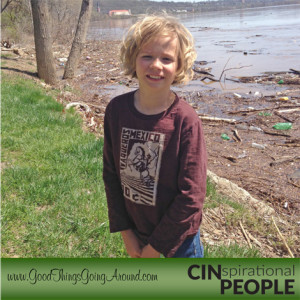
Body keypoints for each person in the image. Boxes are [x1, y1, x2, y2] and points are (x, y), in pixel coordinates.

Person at [103, 14, 207, 258]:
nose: (156, 65)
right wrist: (126, 233)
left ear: (179, 66)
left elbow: (192, 196)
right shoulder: (116, 111)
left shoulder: (185, 120)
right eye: (147, 56)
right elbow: (111, 175)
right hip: (137, 232)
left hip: (180, 242)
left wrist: (156, 248)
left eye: (167, 58)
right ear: (133, 59)